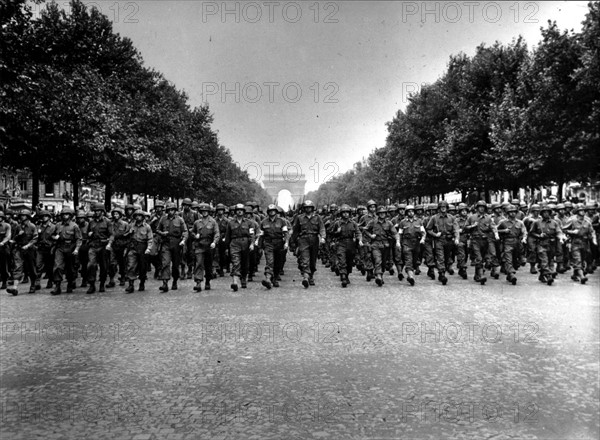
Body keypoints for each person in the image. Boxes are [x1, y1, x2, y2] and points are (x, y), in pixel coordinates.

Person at [291, 200, 326, 288]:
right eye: (306, 208)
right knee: (305, 258)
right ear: (304, 208)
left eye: (309, 207)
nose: (308, 209)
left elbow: (322, 228)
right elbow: (295, 231)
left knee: (313, 260)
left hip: (314, 239)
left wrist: (323, 237)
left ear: (312, 208)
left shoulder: (318, 218)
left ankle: (311, 276)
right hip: (303, 240)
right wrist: (293, 242)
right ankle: (306, 277)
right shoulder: (299, 218)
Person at [465, 200, 499, 285]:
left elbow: (493, 227)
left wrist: (496, 234)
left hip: (485, 241)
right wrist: (473, 226)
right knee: (478, 258)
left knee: (483, 258)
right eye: (480, 207)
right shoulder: (472, 217)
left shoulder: (488, 218)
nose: (481, 209)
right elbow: (465, 228)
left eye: (483, 207)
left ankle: (477, 274)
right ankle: (480, 275)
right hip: (475, 240)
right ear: (477, 208)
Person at [426, 201, 460, 285]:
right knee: (440, 257)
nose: (443, 208)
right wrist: (435, 234)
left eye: (445, 207)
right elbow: (428, 229)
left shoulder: (452, 218)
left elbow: (456, 229)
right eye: (441, 207)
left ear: (447, 208)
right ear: (439, 208)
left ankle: (442, 270)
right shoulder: (434, 218)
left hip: (448, 240)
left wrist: (456, 238)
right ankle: (442, 274)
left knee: (447, 257)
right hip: (439, 240)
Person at [156, 202, 188, 292]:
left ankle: (175, 280)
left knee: (175, 265)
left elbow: (185, 231)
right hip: (166, 243)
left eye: (172, 210)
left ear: (175, 211)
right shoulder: (163, 219)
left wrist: (183, 240)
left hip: (176, 244)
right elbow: (157, 229)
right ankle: (165, 283)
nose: (171, 212)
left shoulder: (180, 220)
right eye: (169, 210)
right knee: (165, 263)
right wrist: (162, 233)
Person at [529, 205, 564, 285]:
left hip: (551, 244)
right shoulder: (537, 222)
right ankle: (548, 276)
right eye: (544, 212)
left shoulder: (554, 223)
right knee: (544, 260)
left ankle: (542, 275)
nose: (546, 214)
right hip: (541, 244)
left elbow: (558, 231)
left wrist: (560, 238)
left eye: (547, 212)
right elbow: (531, 233)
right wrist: (539, 236)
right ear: (541, 214)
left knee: (550, 259)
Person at [365, 206, 400, 286]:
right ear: (378, 214)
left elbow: (395, 233)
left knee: (383, 263)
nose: (382, 215)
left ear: (385, 214)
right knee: (378, 260)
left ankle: (380, 274)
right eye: (380, 213)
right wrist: (370, 236)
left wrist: (397, 241)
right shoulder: (373, 222)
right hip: (375, 245)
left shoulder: (389, 223)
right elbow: (365, 230)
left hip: (385, 245)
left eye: (383, 213)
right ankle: (379, 276)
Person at [50, 208, 82, 295]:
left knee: (70, 268)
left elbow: (79, 239)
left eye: (67, 214)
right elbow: (52, 235)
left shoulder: (74, 226)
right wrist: (54, 237)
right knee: (57, 266)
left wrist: (76, 249)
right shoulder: (58, 225)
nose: (65, 216)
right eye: (63, 214)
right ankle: (57, 285)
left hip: (70, 247)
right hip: (60, 247)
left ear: (70, 216)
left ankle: (70, 283)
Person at [563, 203, 596, 284]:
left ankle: (575, 274)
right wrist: (572, 232)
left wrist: (594, 239)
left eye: (584, 210)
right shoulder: (572, 220)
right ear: (577, 211)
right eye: (581, 210)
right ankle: (582, 277)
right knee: (577, 259)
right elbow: (563, 229)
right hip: (576, 242)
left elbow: (592, 231)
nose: (583, 212)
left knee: (583, 259)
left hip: (585, 243)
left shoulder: (587, 220)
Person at [225, 203, 255, 291]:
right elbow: (228, 236)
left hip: (245, 243)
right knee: (235, 262)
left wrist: (252, 244)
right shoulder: (230, 223)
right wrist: (227, 248)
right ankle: (235, 281)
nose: (239, 212)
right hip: (234, 243)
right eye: (238, 210)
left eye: (241, 210)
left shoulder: (249, 223)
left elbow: (252, 234)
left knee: (245, 263)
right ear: (235, 212)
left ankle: (243, 278)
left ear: (244, 212)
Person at [8, 209, 38, 295]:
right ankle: (14, 288)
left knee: (31, 268)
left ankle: (33, 285)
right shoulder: (18, 226)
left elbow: (35, 238)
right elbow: (14, 239)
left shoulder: (32, 226)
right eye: (21, 216)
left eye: (24, 216)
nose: (22, 217)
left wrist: (28, 245)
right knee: (18, 267)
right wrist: (18, 235)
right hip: (19, 249)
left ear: (28, 217)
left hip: (30, 249)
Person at [258, 204, 289, 289]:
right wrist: (259, 246)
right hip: (268, 243)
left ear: (276, 212)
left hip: (279, 243)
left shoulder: (282, 221)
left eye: (273, 211)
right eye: (270, 211)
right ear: (268, 212)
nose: (272, 212)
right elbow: (261, 235)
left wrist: (286, 242)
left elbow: (285, 233)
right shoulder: (263, 222)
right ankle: (267, 279)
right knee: (270, 261)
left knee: (278, 263)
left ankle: (274, 279)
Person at [331, 204, 362, 287]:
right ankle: (343, 276)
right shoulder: (337, 223)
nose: (345, 214)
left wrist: (359, 240)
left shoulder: (353, 223)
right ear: (341, 214)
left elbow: (358, 232)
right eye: (344, 212)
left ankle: (347, 274)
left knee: (349, 261)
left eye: (347, 212)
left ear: (349, 213)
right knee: (342, 260)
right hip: (341, 243)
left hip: (351, 243)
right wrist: (337, 232)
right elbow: (332, 234)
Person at [191, 203, 219, 292]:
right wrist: (195, 236)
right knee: (199, 263)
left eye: (206, 211)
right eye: (203, 211)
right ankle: (198, 282)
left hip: (209, 246)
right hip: (199, 245)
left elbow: (216, 233)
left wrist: (214, 242)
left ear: (209, 212)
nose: (204, 213)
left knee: (208, 265)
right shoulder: (197, 222)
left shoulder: (213, 222)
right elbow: (191, 232)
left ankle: (207, 280)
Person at [497, 204, 527, 285]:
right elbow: (495, 230)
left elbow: (524, 231)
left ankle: (509, 274)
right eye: (510, 212)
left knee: (515, 261)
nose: (513, 214)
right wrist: (504, 231)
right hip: (507, 242)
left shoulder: (520, 223)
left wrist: (524, 238)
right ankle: (511, 274)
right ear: (507, 213)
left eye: (514, 212)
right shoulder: (503, 222)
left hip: (517, 243)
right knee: (508, 259)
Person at [86, 203, 113, 294]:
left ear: (102, 212)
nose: (97, 212)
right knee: (91, 265)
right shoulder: (91, 222)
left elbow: (111, 235)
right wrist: (89, 235)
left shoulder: (107, 222)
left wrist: (109, 244)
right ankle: (92, 284)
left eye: (99, 211)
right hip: (93, 245)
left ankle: (102, 283)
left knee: (103, 266)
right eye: (96, 211)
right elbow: (87, 234)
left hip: (103, 246)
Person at [125, 209, 153, 293]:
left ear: (143, 217)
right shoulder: (131, 225)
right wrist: (129, 233)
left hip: (143, 247)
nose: (138, 217)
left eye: (140, 216)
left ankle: (142, 282)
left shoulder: (147, 227)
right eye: (136, 216)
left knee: (142, 267)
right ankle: (131, 284)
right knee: (131, 265)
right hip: (133, 247)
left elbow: (150, 238)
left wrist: (148, 248)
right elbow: (125, 236)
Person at [397, 205, 425, 285]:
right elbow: (400, 234)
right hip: (406, 242)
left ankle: (410, 274)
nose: (411, 213)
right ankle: (411, 276)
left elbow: (423, 232)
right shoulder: (403, 222)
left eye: (412, 211)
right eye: (409, 211)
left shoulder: (419, 221)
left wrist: (423, 239)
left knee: (414, 260)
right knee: (408, 259)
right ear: (406, 213)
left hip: (416, 243)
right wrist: (398, 242)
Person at [34, 209, 56, 290]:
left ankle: (50, 280)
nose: (44, 218)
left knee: (49, 266)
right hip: (40, 248)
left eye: (46, 216)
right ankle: (37, 282)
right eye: (42, 216)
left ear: (49, 217)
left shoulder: (54, 227)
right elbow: (36, 237)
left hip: (49, 248)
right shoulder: (38, 227)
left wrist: (53, 245)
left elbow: (56, 238)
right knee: (38, 265)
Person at [0, 210, 11, 290]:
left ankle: (4, 281)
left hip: (3, 247)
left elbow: (8, 236)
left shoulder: (6, 225)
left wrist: (2, 242)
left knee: (4, 265)